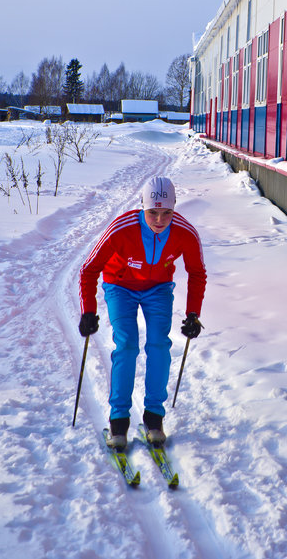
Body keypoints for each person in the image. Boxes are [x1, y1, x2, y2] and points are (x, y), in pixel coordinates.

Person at [78, 176, 206, 449]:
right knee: (126, 344)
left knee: (159, 344)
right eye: (152, 212)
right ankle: (119, 420)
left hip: (158, 289)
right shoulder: (121, 230)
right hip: (120, 287)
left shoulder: (185, 232)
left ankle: (154, 417)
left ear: (174, 208)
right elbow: (88, 270)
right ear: (142, 207)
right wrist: (88, 311)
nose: (160, 219)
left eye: (167, 212)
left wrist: (193, 314)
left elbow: (197, 273)